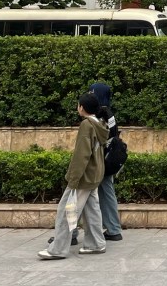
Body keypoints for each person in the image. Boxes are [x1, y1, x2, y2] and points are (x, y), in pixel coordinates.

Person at [37, 92, 108, 260]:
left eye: (78, 105)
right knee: (92, 211)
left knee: (66, 211)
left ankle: (58, 250)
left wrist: (73, 179)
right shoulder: (100, 124)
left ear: (82, 108)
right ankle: (96, 244)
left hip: (83, 178)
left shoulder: (87, 125)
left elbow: (81, 155)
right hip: (94, 175)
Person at [89, 81, 123, 241]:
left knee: (78, 194)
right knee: (107, 192)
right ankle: (113, 229)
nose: (89, 95)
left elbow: (98, 138)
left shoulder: (100, 114)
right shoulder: (109, 113)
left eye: (92, 92)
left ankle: (70, 233)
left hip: (98, 161)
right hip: (107, 160)